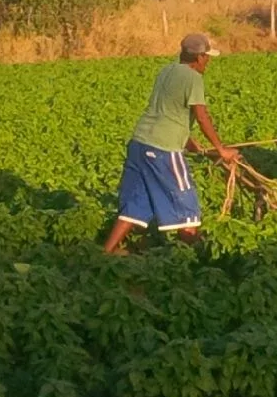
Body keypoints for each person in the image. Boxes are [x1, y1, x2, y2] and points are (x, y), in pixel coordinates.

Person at [103, 33, 241, 254]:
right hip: (162, 149)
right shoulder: (193, 78)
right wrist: (221, 149)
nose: (208, 61)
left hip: (139, 144)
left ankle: (105, 252)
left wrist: (196, 146)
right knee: (186, 204)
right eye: (207, 57)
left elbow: (169, 114)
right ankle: (188, 262)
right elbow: (201, 114)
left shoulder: (166, 71)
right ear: (198, 58)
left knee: (137, 203)